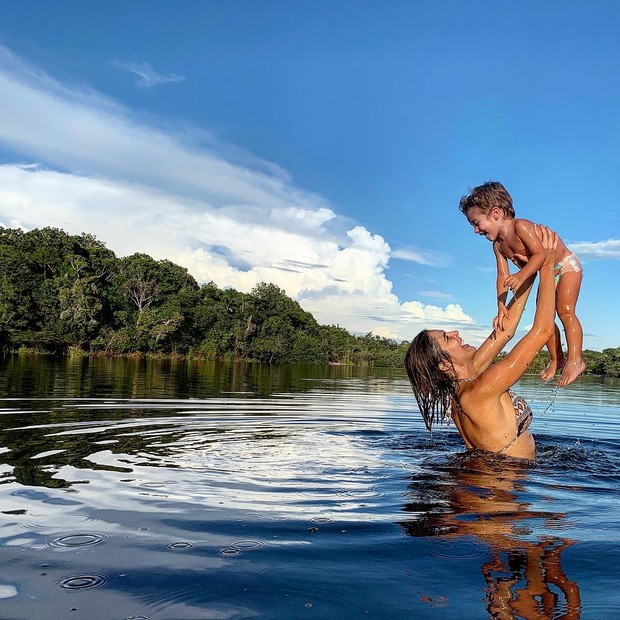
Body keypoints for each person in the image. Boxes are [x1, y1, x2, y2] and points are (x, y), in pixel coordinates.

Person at [404, 226, 558, 460]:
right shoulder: (480, 390)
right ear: (444, 366)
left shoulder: (464, 387)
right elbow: (543, 330)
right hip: (502, 487)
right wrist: (547, 266)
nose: (455, 333)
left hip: (488, 480)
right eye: (447, 338)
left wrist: (529, 272)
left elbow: (505, 330)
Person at [458, 181, 584, 387]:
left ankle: (575, 360)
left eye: (476, 222)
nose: (475, 230)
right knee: (545, 316)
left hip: (564, 265)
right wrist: (500, 306)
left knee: (566, 311)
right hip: (546, 272)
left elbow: (541, 254)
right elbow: (501, 276)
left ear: (495, 213)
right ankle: (557, 358)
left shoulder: (521, 226)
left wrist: (522, 275)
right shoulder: (498, 246)